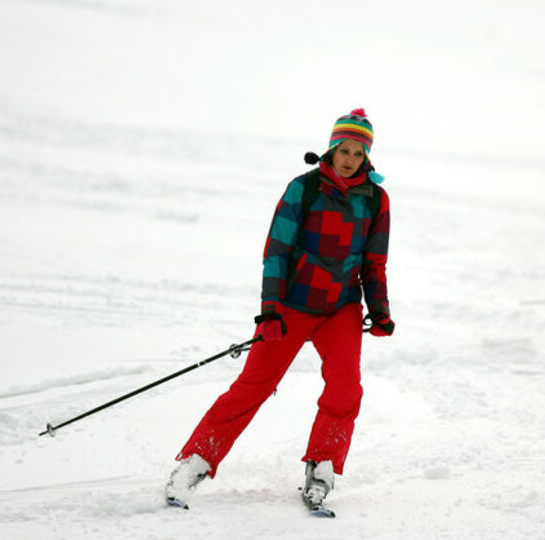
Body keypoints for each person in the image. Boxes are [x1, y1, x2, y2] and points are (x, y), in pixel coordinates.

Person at [165, 108, 394, 511]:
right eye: (344, 150)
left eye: (359, 153)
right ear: (332, 148)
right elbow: (277, 251)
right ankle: (195, 462)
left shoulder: (376, 200)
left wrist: (379, 310)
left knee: (345, 388)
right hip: (292, 305)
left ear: (366, 157)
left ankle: (321, 468)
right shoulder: (304, 189)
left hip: (340, 308)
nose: (350, 159)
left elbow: (373, 263)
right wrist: (270, 310)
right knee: (253, 386)